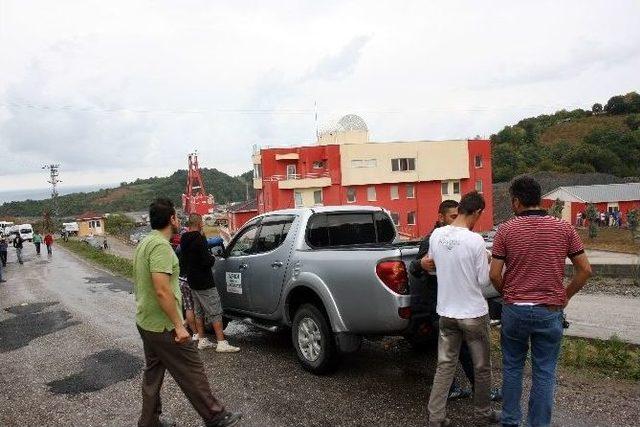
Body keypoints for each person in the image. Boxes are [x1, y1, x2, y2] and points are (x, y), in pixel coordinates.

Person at [490, 176, 592, 427]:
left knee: (512, 368)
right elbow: (585, 270)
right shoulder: (564, 228)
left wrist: (509, 296)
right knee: (544, 372)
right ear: (539, 199)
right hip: (549, 311)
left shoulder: (505, 229)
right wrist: (564, 296)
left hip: (515, 311)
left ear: (516, 201)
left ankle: (511, 420)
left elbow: (494, 274)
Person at [133, 198, 241, 427]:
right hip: (163, 325)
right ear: (172, 218)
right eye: (176, 216)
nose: (178, 220)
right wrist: (179, 325)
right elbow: (162, 290)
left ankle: (149, 421)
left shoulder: (145, 242)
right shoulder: (161, 246)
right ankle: (215, 416)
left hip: (146, 322)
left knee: (153, 374)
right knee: (192, 368)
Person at [413, 200, 501, 402]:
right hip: (454, 309)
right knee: (472, 360)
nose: (455, 219)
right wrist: (421, 263)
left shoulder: (441, 237)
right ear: (441, 217)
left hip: (447, 310)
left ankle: (439, 410)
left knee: (450, 360)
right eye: (451, 216)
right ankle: (481, 403)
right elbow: (417, 268)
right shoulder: (435, 239)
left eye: (457, 215)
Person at [181, 213, 239, 353]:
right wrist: (213, 258)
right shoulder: (200, 239)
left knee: (199, 311)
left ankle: (202, 340)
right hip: (204, 281)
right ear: (200, 223)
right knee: (215, 311)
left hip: (192, 280)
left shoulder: (184, 238)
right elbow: (206, 261)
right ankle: (221, 342)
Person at [175, 233, 197, 337]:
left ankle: (189, 328)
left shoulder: (179, 249)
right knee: (195, 307)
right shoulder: (193, 250)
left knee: (188, 306)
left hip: (181, 279)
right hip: (190, 280)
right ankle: (194, 331)